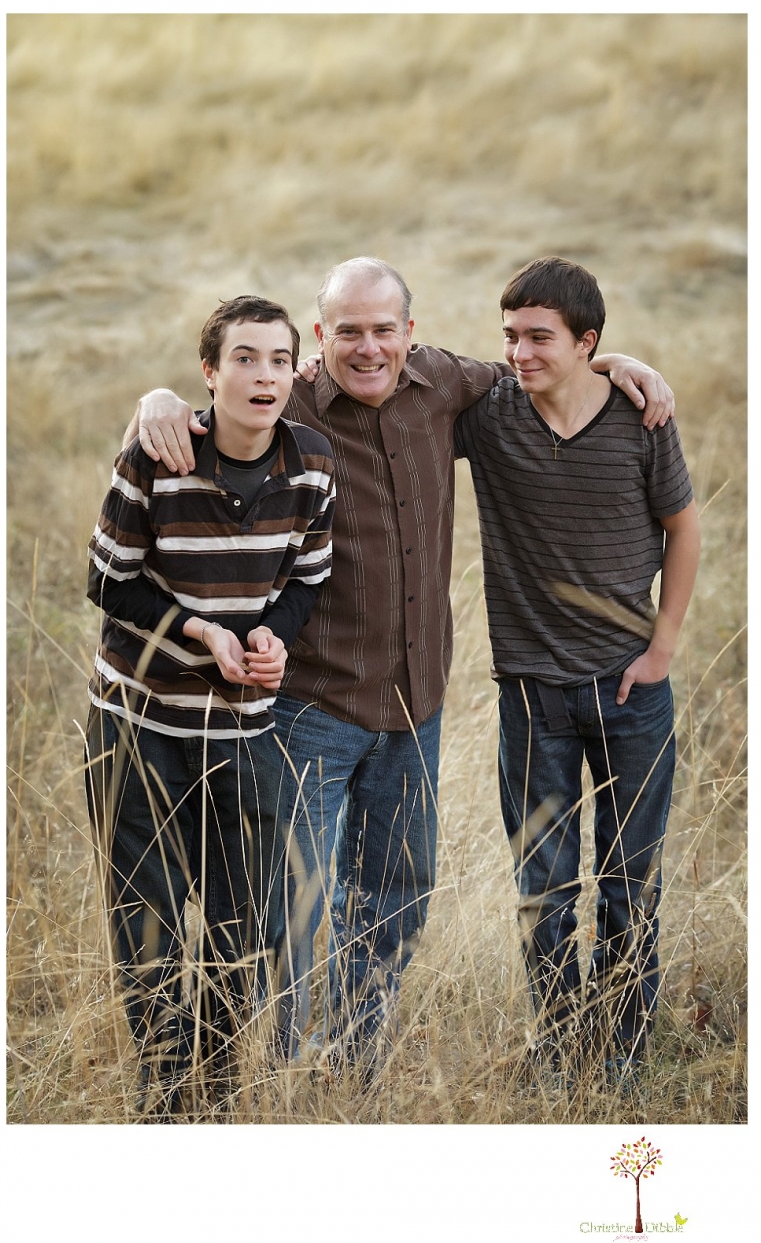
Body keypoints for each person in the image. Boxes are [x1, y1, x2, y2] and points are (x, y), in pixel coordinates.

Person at [130, 256, 675, 1080]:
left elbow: (541, 363)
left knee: (395, 900)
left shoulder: (446, 385)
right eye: (349, 331)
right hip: (309, 706)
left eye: (385, 329)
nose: (369, 347)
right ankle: (290, 1073)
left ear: (410, 335)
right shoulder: (288, 400)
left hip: (414, 706)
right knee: (294, 908)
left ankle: (354, 1066)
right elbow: (222, 398)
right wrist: (159, 400)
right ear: (321, 338)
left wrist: (613, 363)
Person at [84, 295, 335, 1118]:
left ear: (293, 371)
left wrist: (274, 637)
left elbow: (308, 575)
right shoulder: (156, 456)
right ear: (210, 372)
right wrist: (196, 628)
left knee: (242, 926)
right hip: (139, 726)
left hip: (241, 731)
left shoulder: (311, 465)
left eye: (276, 359)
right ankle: (166, 1105)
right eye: (243, 358)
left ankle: (217, 1094)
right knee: (149, 924)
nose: (262, 375)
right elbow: (108, 581)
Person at [453, 257, 700, 1086]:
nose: (520, 353)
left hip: (633, 694)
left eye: (539, 338)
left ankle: (625, 1049)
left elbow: (683, 530)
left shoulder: (640, 420)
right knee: (545, 890)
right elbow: (395, 390)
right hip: (534, 697)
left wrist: (662, 647)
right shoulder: (488, 417)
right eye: (510, 336)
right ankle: (559, 1050)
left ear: (587, 342)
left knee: (631, 882)